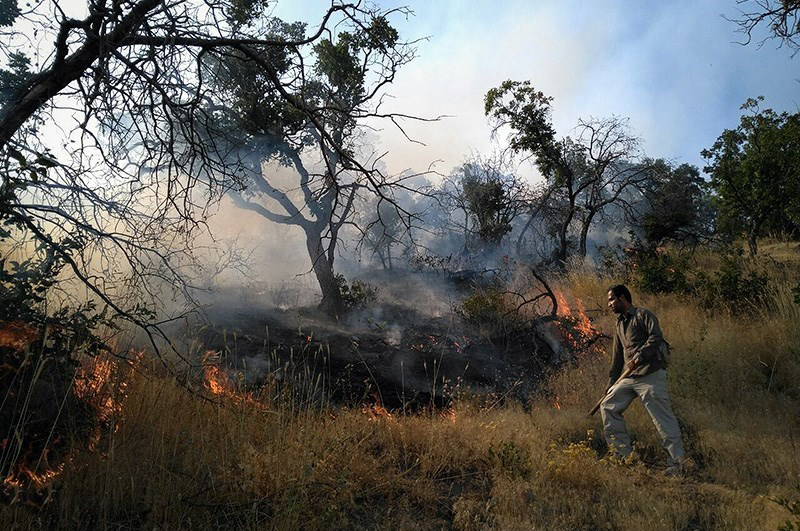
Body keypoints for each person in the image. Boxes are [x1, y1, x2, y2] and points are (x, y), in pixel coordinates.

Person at [601, 284, 689, 475]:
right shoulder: (618, 324)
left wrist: (640, 356)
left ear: (622, 298)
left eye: (611, 299)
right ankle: (623, 458)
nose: (609, 304)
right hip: (629, 377)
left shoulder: (643, 315)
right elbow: (617, 358)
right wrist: (611, 383)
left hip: (650, 374)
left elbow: (656, 337)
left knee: (662, 419)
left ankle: (678, 464)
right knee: (608, 406)